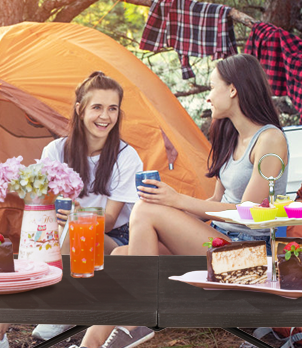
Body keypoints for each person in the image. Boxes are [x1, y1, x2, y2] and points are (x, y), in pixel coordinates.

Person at [0, 72, 155, 348]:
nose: (105, 116)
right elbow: (42, 204)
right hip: (64, 233)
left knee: (67, 233)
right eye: (97, 108)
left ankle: (5, 329)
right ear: (80, 109)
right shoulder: (56, 152)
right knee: (43, 236)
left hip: (114, 236)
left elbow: (112, 219)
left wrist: (77, 213)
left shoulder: (127, 158)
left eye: (113, 109)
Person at [117, 53, 289, 256]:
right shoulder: (231, 138)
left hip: (251, 247)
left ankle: (144, 287)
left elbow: (249, 214)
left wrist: (177, 200)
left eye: (212, 88)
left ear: (233, 90)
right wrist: (173, 213)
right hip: (217, 233)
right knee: (120, 254)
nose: (208, 97)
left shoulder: (269, 139)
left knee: (144, 210)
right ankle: (150, 286)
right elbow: (217, 199)